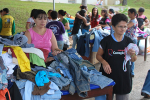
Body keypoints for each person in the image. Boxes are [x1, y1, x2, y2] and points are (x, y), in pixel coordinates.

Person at [96, 14, 137, 100]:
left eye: (125, 26)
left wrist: (132, 54)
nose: (123, 29)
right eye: (120, 26)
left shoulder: (129, 41)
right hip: (107, 76)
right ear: (113, 27)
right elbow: (98, 55)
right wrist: (104, 62)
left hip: (123, 78)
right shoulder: (106, 41)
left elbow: (133, 59)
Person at [125, 8, 138, 77]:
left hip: (132, 40)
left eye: (129, 13)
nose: (128, 15)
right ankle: (130, 70)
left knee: (132, 55)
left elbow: (127, 26)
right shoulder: (131, 20)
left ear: (133, 13)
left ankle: (131, 72)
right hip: (130, 39)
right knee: (129, 55)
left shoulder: (133, 21)